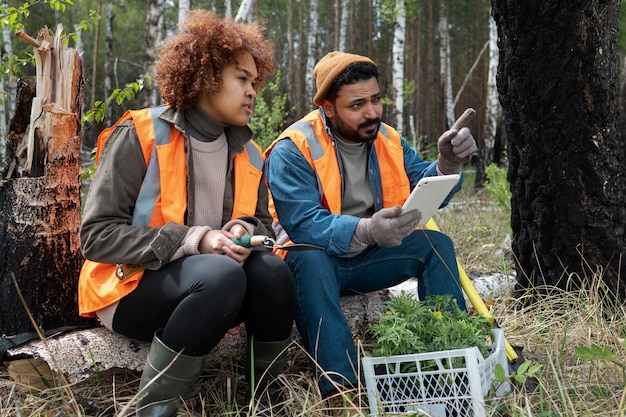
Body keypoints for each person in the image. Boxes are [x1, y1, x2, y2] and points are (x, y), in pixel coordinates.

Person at [78, 10, 295, 417]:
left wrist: (240, 230)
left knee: (273, 272)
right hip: (129, 286)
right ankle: (152, 410)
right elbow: (96, 237)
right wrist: (195, 239)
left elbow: (261, 223)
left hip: (210, 290)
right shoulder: (139, 134)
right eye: (242, 79)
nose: (252, 92)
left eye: (255, 82)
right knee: (222, 273)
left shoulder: (248, 151)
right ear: (207, 76)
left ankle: (266, 402)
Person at [264, 51, 477, 414]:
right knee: (309, 258)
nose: (373, 112)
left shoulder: (387, 137)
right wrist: (367, 229)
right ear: (328, 108)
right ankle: (341, 394)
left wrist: (447, 163)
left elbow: (424, 186)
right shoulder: (292, 148)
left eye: (376, 99)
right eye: (357, 104)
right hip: (312, 264)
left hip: (367, 259)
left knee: (436, 245)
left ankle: (453, 367)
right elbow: (304, 224)